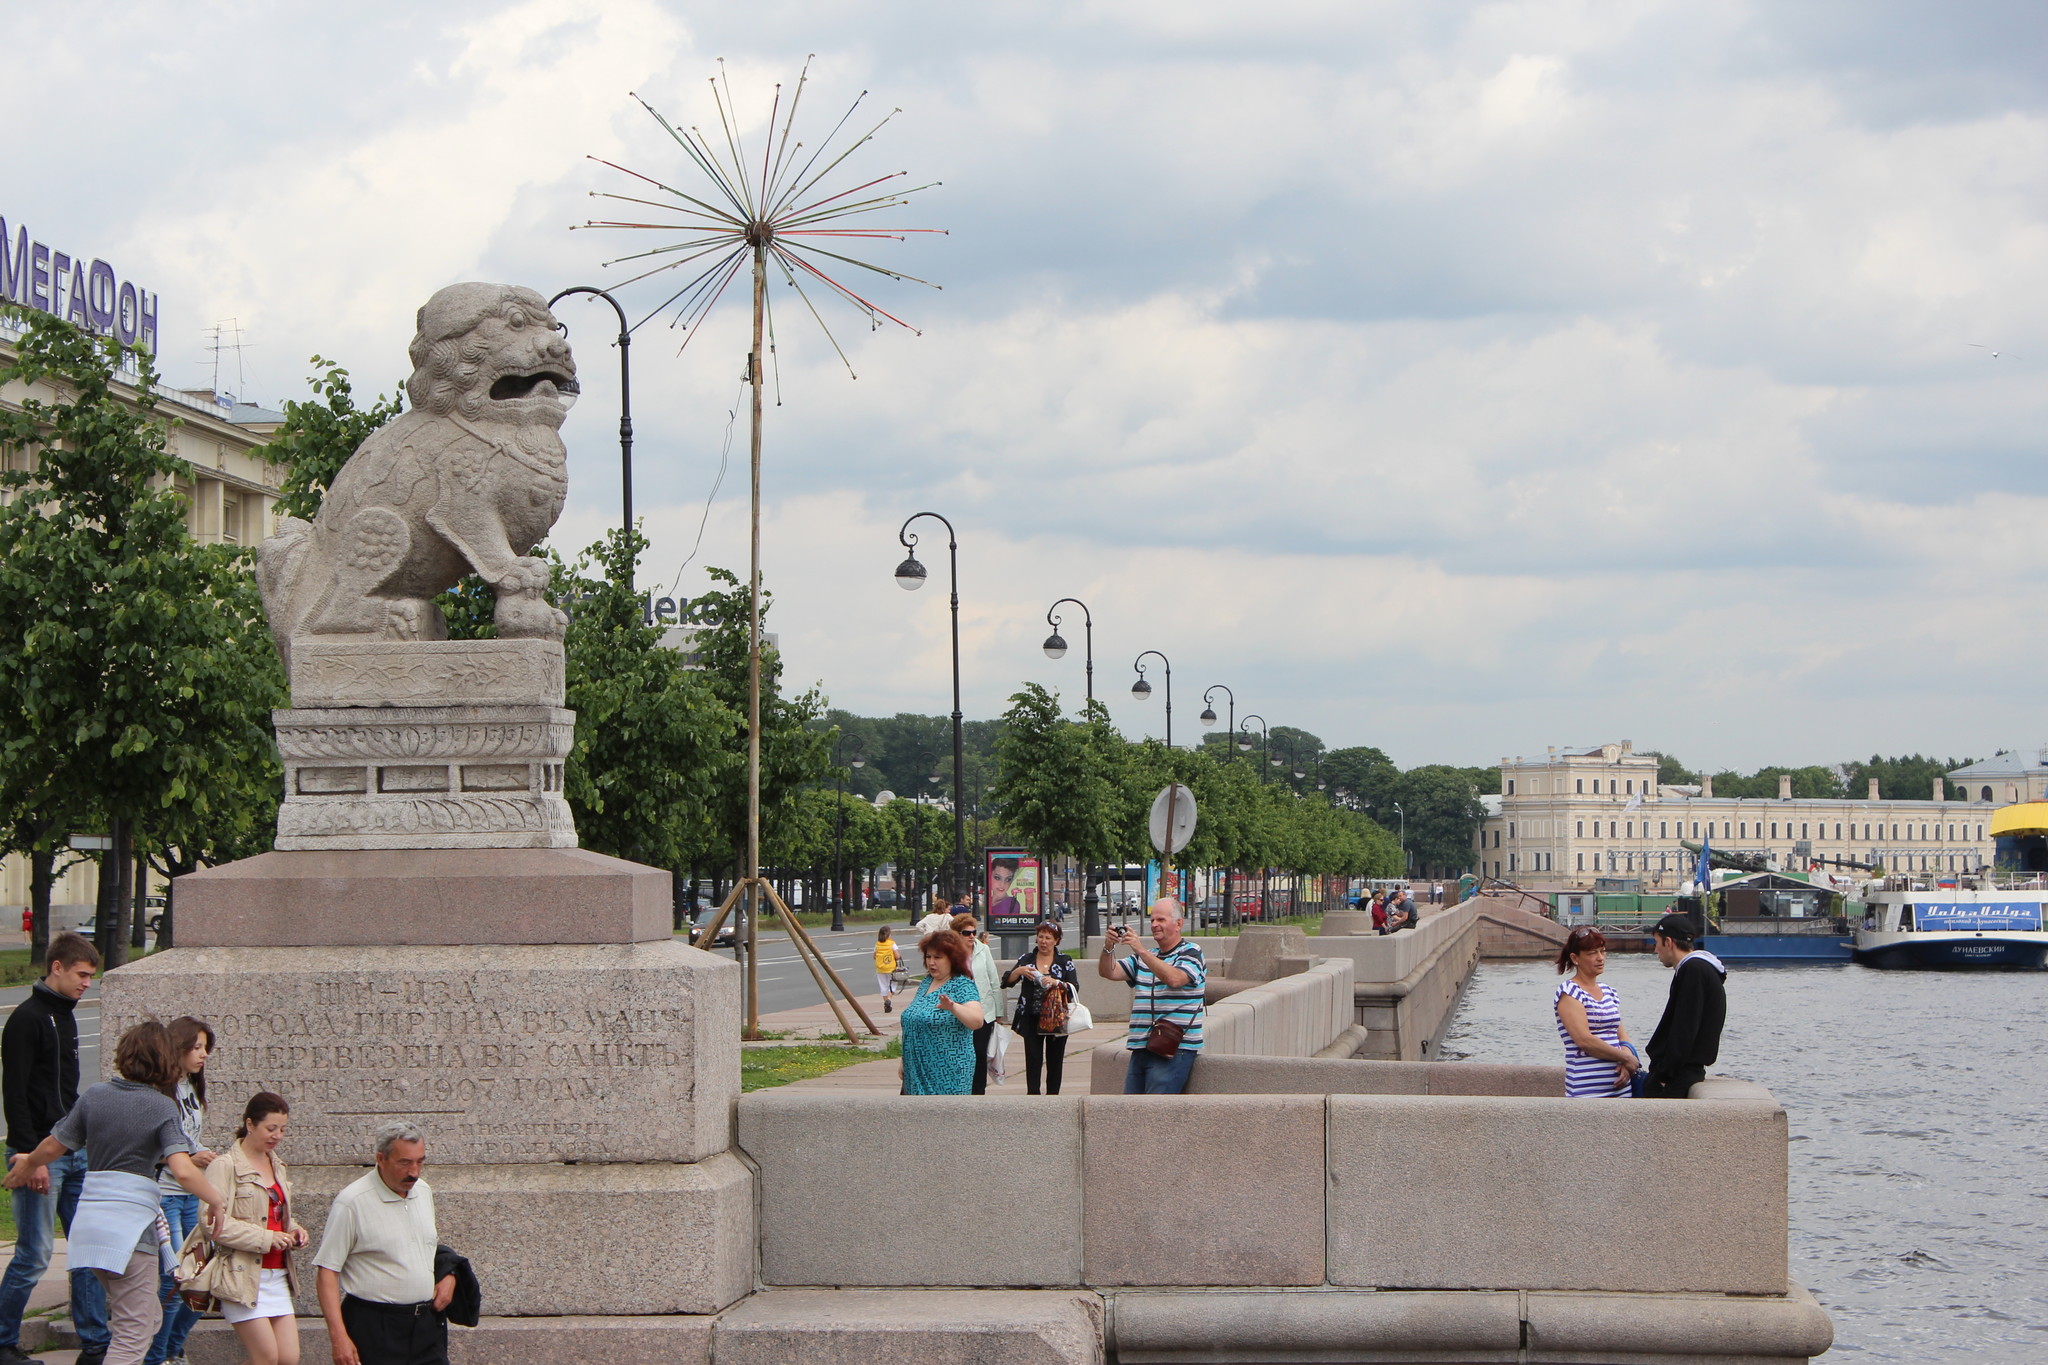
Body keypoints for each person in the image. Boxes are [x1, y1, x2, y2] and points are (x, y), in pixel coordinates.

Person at [3, 1021, 226, 1365]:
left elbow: (53, 1145)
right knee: (132, 1334)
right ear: (165, 1060)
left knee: (148, 1317)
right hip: (130, 1231)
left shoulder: (95, 1095)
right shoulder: (162, 1106)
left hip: (89, 1230)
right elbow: (182, 1170)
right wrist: (217, 1199)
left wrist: (28, 1164)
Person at [0, 932, 109, 1365]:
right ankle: (5, 1342)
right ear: (57, 967)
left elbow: (66, 1092)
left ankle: (96, 1344)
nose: (87, 983)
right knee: (34, 1254)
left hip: (75, 1151)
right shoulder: (27, 1019)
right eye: (81, 975)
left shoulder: (64, 1016)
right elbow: (16, 1093)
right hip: (40, 1154)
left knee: (87, 1249)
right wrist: (31, 1157)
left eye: (90, 976)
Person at [314, 1121, 457, 1365]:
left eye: (420, 1161)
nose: (414, 1171)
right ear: (381, 1158)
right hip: (375, 1327)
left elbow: (424, 1247)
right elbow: (327, 1271)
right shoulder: (352, 1202)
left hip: (426, 1326)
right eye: (404, 1162)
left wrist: (449, 1275)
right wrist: (339, 1337)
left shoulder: (423, 1191)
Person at [205, 1093, 308, 1365]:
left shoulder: (277, 1165)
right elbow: (212, 1223)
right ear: (250, 1125)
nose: (277, 1136)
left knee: (288, 1358)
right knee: (266, 1357)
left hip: (278, 1273)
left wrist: (294, 1230)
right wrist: (267, 1238)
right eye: (271, 1128)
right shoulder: (224, 1166)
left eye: (283, 1129)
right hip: (242, 1275)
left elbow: (275, 1216)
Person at [144, 1017, 217, 1365]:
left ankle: (173, 1347)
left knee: (202, 1281)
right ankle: (157, 1356)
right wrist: (189, 1156)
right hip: (167, 1194)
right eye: (197, 1047)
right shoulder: (161, 1090)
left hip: (191, 1195)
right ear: (179, 1046)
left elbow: (189, 1134)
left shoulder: (191, 1086)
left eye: (206, 1048)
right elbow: (154, 1144)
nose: (203, 1055)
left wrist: (201, 1154)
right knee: (175, 1280)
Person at [1100, 898, 1207, 1094]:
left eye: (1161, 920)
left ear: (1179, 924)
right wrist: (1108, 947)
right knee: (1130, 1112)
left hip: (1173, 1049)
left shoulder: (1191, 952)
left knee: (1154, 1114)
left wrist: (1140, 950)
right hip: (1141, 1045)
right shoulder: (1146, 957)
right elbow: (1109, 972)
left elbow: (1175, 979)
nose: (1155, 925)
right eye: (1152, 920)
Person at [1645, 912, 1729, 1099]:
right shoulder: (1701, 968)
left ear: (1668, 942)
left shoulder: (1693, 970)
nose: (1655, 950)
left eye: (1656, 943)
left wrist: (1664, 1074)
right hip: (1686, 1071)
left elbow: (1685, 1028)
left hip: (1680, 1075)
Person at [1551, 928, 1639, 1098]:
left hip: (1622, 1090)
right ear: (1575, 958)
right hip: (1587, 1091)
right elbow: (1584, 1040)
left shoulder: (1609, 992)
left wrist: (1626, 1059)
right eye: (1592, 953)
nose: (1600, 958)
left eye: (1603, 951)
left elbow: (1622, 1036)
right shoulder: (1569, 992)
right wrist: (1625, 1058)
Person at [897, 930, 984, 1095]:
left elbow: (977, 1021)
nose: (931, 963)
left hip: (947, 1072)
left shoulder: (962, 984)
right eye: (928, 957)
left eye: (937, 958)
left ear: (952, 958)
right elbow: (916, 1021)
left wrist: (953, 1007)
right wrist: (905, 1059)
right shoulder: (927, 982)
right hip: (916, 1069)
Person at [1004, 921, 1081, 1095]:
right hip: (1031, 1018)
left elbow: (1074, 986)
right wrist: (1019, 972)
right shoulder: (1027, 959)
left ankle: (1053, 1097)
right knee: (1033, 1059)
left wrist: (1057, 982)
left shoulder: (1064, 961)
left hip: (1056, 1017)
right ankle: (1033, 1096)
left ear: (1056, 941)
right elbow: (1007, 982)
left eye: (1048, 938)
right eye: (1040, 937)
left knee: (1055, 1060)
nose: (1043, 941)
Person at [951, 914, 1006, 1094]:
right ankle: (961, 1089)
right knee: (962, 1053)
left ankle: (978, 1091)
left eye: (974, 932)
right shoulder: (951, 953)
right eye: (967, 933)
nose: (972, 936)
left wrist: (998, 1011)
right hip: (960, 1012)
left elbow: (993, 980)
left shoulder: (983, 950)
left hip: (984, 1012)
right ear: (957, 934)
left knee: (980, 1053)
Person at [873, 927, 902, 1014]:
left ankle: (886, 1004)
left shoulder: (877, 944)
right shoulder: (892, 943)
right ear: (889, 935)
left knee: (883, 986)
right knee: (892, 984)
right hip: (891, 968)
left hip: (880, 969)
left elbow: (874, 956)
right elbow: (897, 956)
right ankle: (889, 999)